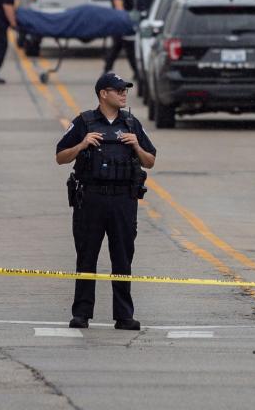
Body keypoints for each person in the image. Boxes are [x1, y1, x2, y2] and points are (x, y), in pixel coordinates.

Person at [55, 72, 157, 329]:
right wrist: (82, 145)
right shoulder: (84, 122)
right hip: (91, 198)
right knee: (86, 255)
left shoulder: (132, 124)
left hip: (123, 199)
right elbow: (60, 156)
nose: (124, 94)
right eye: (119, 90)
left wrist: (136, 146)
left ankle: (124, 315)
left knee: (122, 257)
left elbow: (150, 161)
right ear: (103, 94)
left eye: (125, 90)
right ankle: (81, 313)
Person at [103, 0, 138, 77]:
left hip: (119, 22)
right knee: (128, 48)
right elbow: (118, 4)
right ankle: (136, 72)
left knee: (117, 48)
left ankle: (107, 69)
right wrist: (124, 20)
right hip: (121, 23)